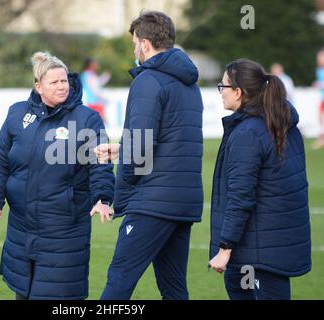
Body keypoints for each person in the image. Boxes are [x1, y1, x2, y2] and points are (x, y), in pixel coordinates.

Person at [0, 51, 115, 300]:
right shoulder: (17, 113)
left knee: (56, 296)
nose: (61, 86)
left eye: (64, 81)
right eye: (54, 82)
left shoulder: (86, 119)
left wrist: (103, 197)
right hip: (21, 226)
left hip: (64, 227)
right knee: (24, 291)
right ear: (38, 86)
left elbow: (101, 162)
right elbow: (0, 159)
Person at [95, 11, 204, 300]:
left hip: (153, 202)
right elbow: (171, 138)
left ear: (144, 44)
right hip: (183, 201)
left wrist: (124, 194)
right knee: (174, 288)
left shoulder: (148, 80)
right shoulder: (189, 83)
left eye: (134, 43)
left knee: (118, 281)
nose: (134, 50)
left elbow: (141, 145)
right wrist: (122, 148)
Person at [209, 59, 311, 300]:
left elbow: (241, 196)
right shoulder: (279, 123)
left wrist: (225, 247)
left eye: (223, 87)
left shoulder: (248, 132)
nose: (220, 92)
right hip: (272, 241)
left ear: (239, 91)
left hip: (261, 248)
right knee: (236, 281)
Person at [313, 49, 324, 149]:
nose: (319, 60)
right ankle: (321, 139)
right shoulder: (319, 70)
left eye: (321, 57)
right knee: (320, 118)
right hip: (322, 98)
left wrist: (319, 84)